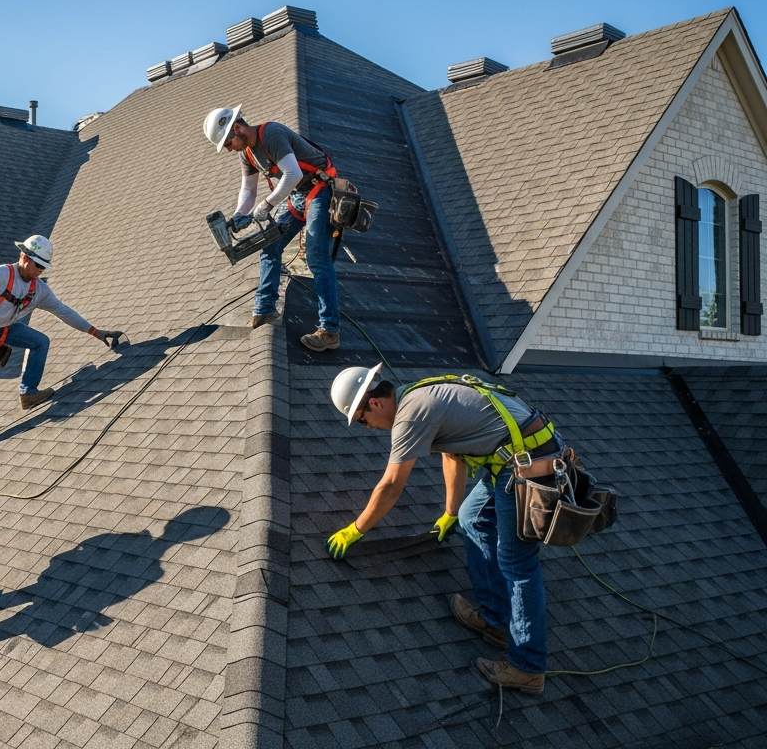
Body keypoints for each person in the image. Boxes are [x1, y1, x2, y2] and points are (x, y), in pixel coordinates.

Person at [323, 365, 565, 696]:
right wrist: (450, 513)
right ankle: (496, 622)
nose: (368, 428)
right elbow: (453, 454)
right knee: (471, 518)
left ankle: (528, 667)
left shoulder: (411, 412)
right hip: (514, 459)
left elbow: (392, 484)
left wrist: (356, 529)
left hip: (528, 467)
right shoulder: (419, 393)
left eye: (362, 420)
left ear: (374, 403)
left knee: (518, 566)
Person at [0, 235, 122, 449]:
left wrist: (96, 332)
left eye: (44, 267)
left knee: (40, 341)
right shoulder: (0, 275)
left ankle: (28, 393)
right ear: (24, 257)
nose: (40, 271)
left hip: (4, 329)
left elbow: (64, 312)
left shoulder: (38, 290)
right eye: (38, 265)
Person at [202, 104, 341, 349]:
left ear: (237, 128)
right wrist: (238, 216)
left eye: (227, 143)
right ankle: (264, 309)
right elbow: (248, 190)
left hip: (321, 191)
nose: (227, 149)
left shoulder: (272, 134)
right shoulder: (246, 152)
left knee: (317, 258)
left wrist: (266, 204)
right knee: (270, 245)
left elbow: (293, 174)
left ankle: (329, 331)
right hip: (297, 196)